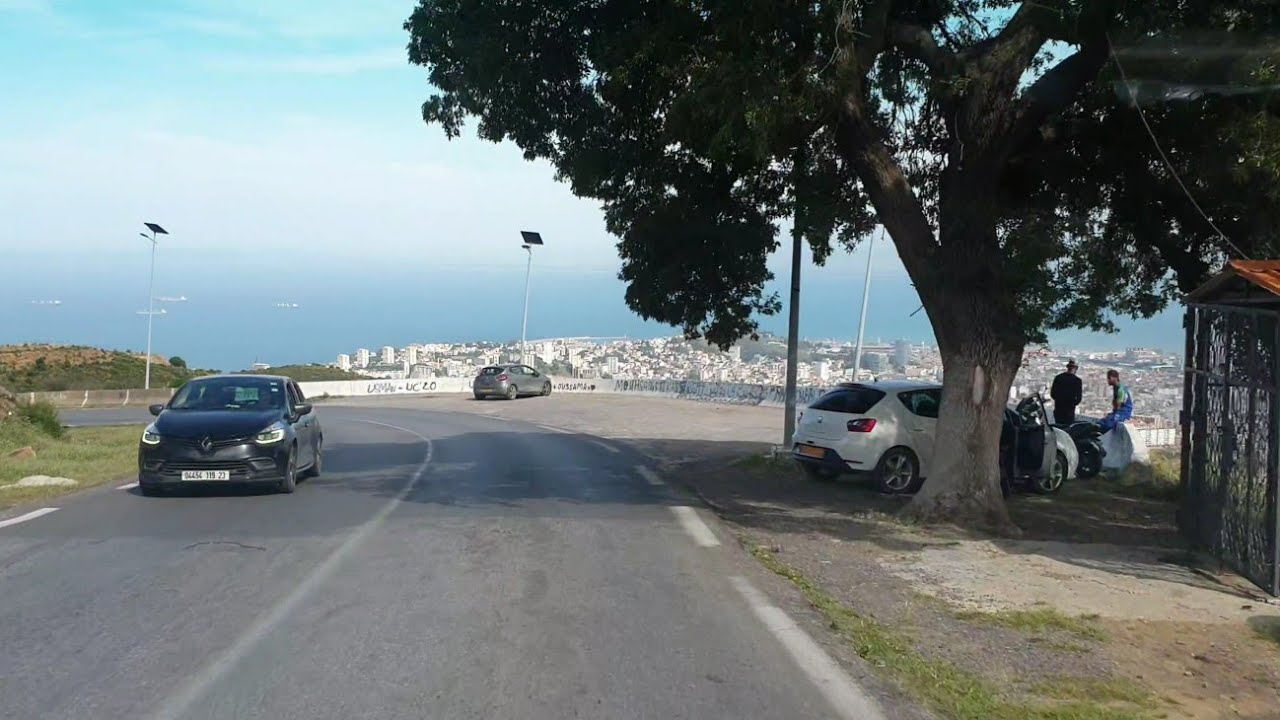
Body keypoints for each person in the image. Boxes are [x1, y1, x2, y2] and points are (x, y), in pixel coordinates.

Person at [1049, 359, 1083, 425]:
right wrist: (1072, 403)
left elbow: (1052, 393)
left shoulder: (1058, 377)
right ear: (1075, 369)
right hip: (1069, 410)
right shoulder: (1077, 380)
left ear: (1067, 367)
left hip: (1058, 408)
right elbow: (1079, 397)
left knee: (1058, 426)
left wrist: (1059, 400)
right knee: (1067, 428)